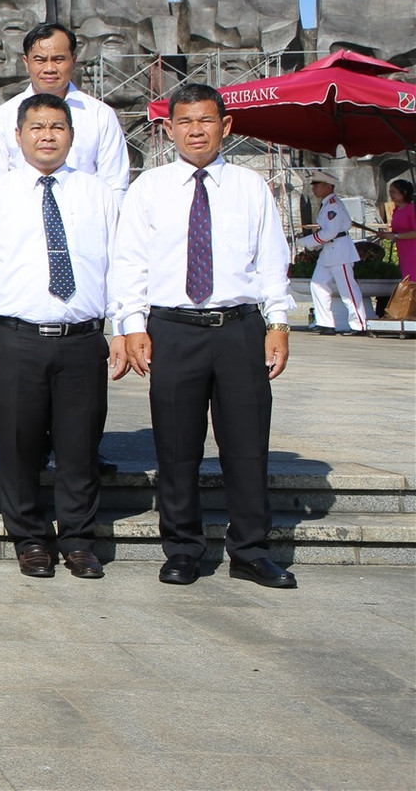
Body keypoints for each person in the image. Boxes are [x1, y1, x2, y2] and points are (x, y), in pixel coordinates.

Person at [112, 83, 295, 589]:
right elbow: (129, 262)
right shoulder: (149, 187)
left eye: (206, 120)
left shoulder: (249, 186)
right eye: (185, 121)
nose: (196, 130)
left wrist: (277, 323)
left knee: (246, 445)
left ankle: (252, 550)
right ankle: (183, 548)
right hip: (172, 330)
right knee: (176, 447)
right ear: (169, 129)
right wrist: (131, 326)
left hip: (238, 329)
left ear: (226, 126)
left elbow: (272, 259)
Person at [0, 92, 119, 580]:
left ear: (72, 136)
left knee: (80, 446)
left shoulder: (98, 193)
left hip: (82, 339)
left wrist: (121, 328)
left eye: (57, 127)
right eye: (36, 128)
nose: (47, 136)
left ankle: (78, 539)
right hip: (17, 338)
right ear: (18, 136)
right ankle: (30, 537)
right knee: (19, 446)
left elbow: (118, 265)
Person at [0, 24, 129, 203]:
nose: (49, 68)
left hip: (84, 217)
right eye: (40, 60)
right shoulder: (2, 118)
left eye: (58, 59)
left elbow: (115, 184)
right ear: (26, 62)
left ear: (73, 59)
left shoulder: (100, 115)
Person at [300, 169, 367, 336]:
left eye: (317, 185)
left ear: (328, 186)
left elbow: (330, 232)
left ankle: (359, 324)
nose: (313, 188)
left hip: (339, 251)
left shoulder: (333, 206)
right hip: (329, 251)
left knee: (348, 289)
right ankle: (325, 322)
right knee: (317, 284)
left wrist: (307, 242)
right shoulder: (327, 205)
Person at [380, 180, 416, 280]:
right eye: (390, 191)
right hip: (403, 250)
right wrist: (387, 234)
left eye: (394, 192)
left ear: (404, 192)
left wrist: (396, 236)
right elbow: (397, 231)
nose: (391, 194)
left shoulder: (412, 209)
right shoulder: (396, 210)